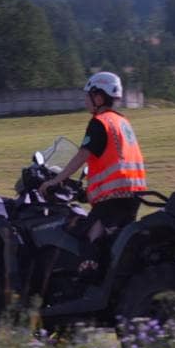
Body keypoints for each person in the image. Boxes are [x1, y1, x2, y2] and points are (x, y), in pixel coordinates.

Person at [40, 72, 147, 272]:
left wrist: (55, 181)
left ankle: (90, 282)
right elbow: (112, 160)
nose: (85, 100)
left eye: (87, 95)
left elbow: (82, 156)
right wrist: (86, 193)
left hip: (114, 196)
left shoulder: (100, 122)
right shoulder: (123, 122)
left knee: (89, 235)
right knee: (113, 240)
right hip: (133, 193)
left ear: (98, 97)